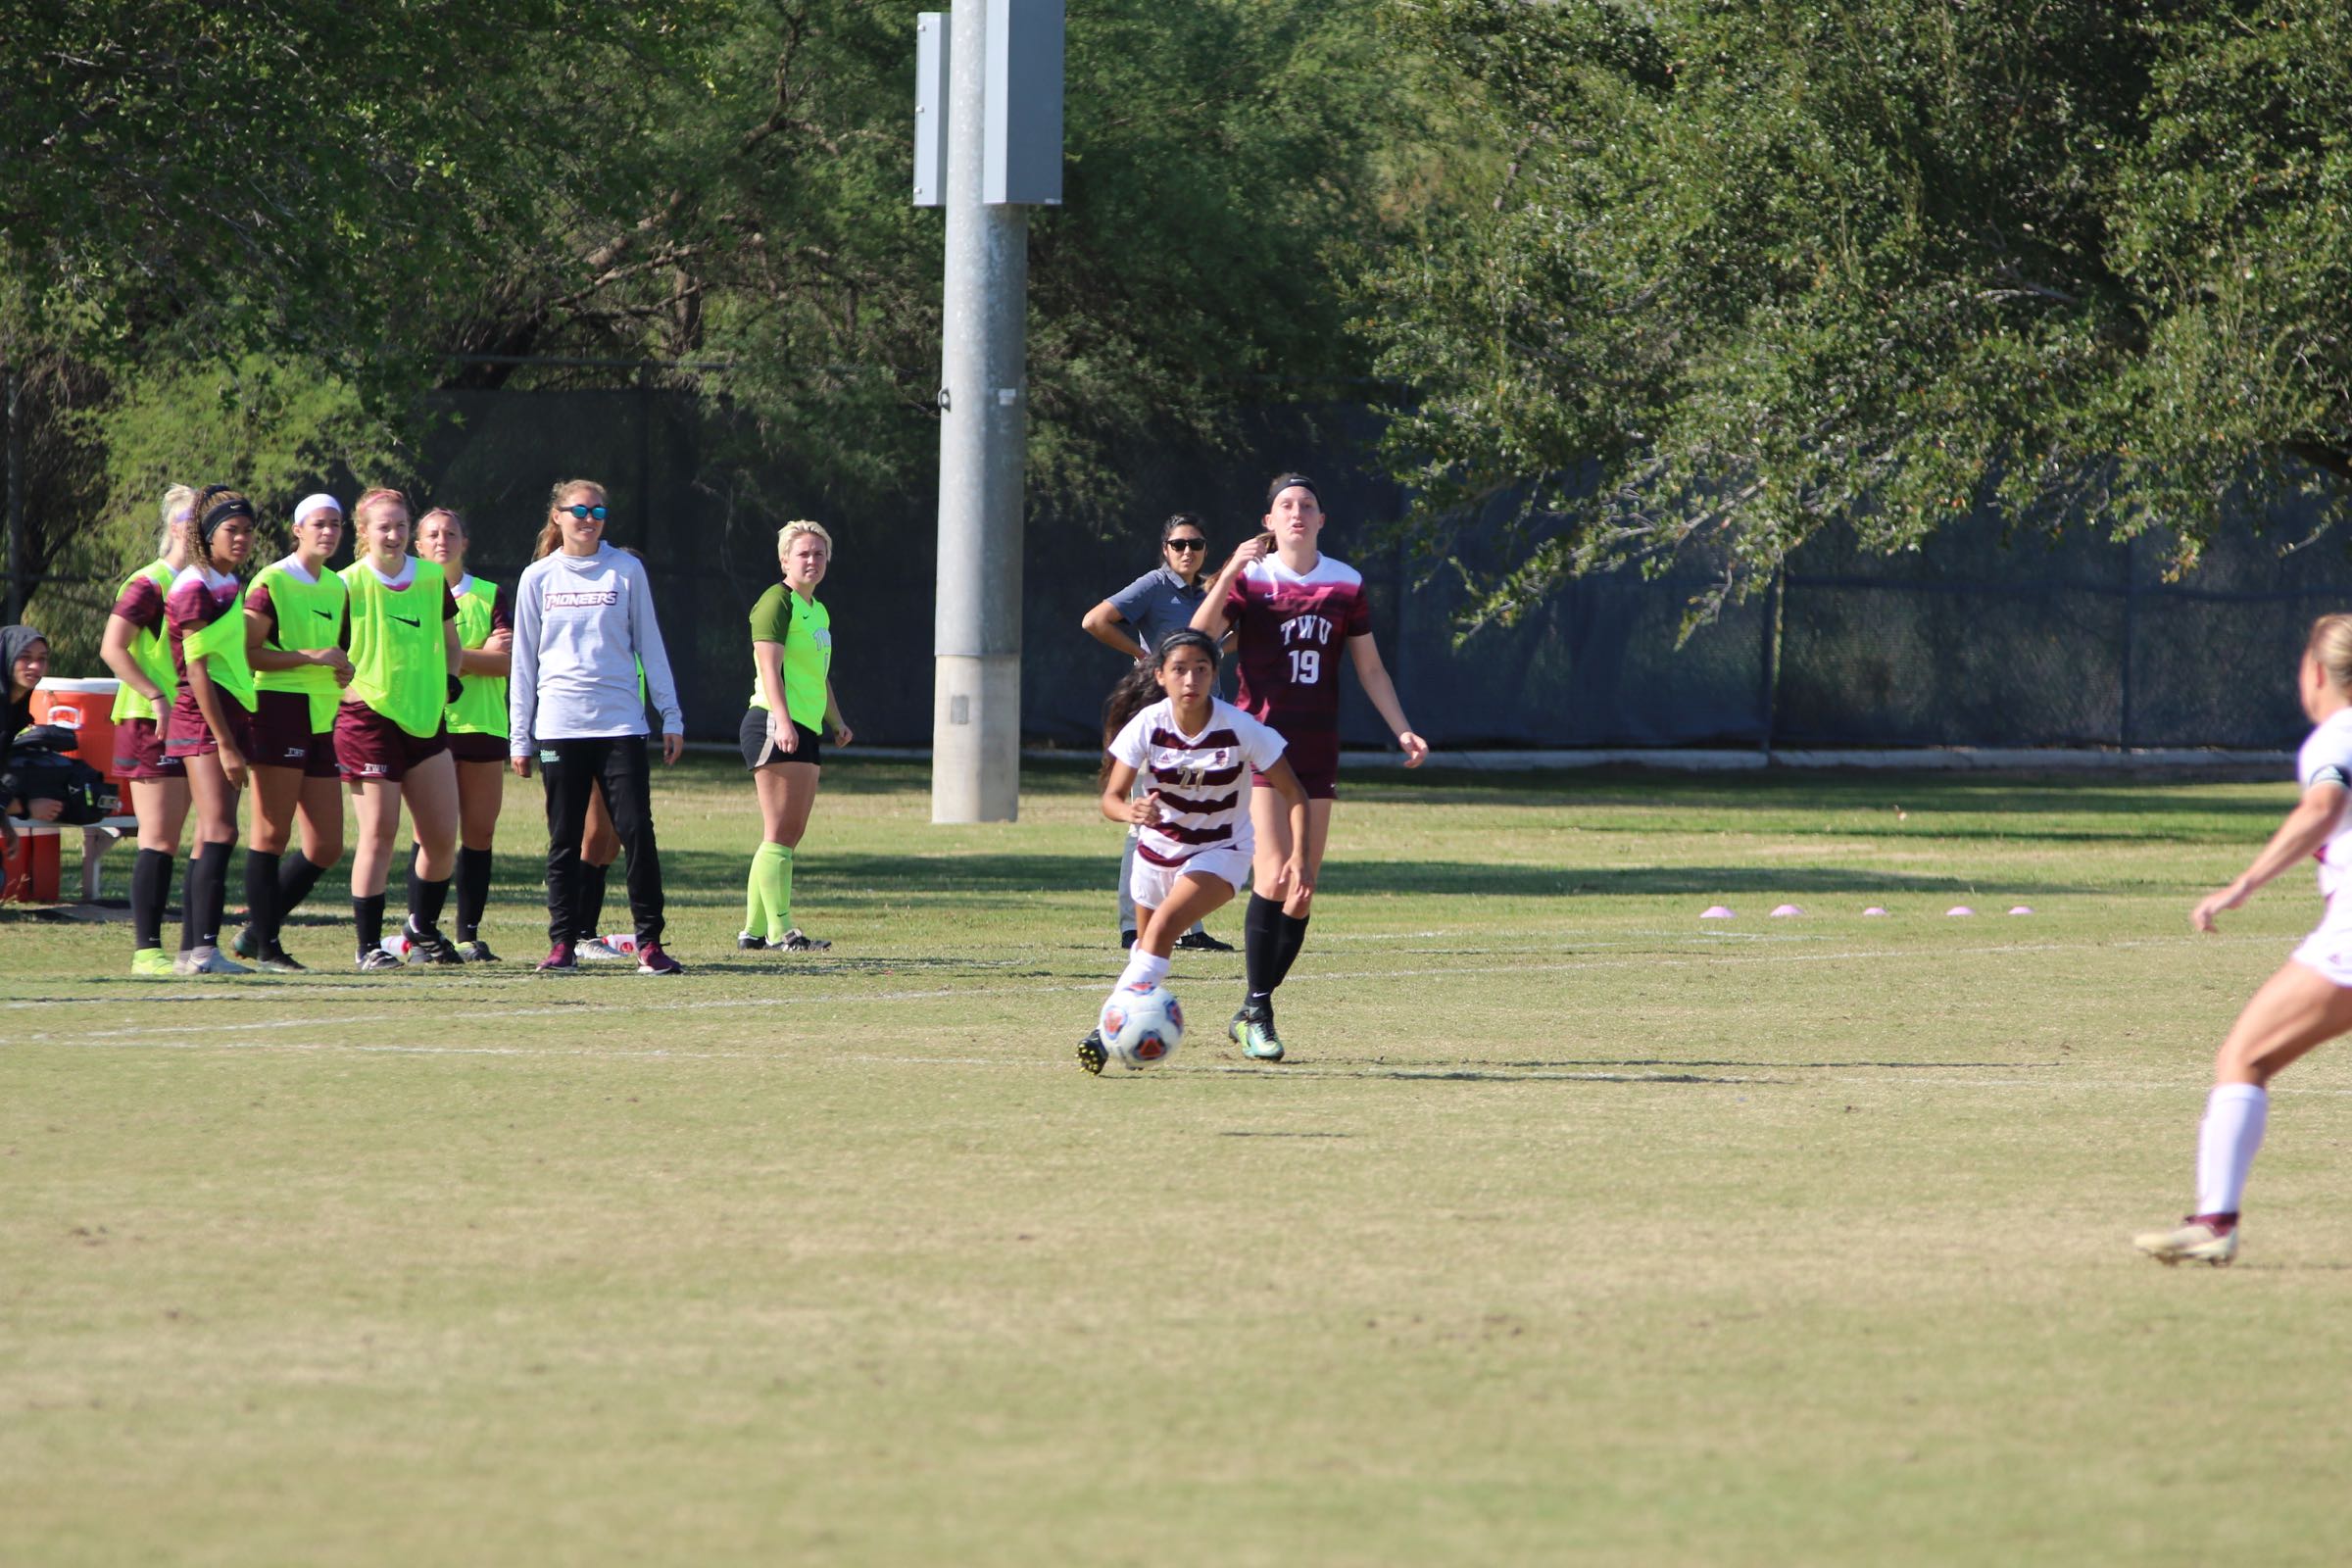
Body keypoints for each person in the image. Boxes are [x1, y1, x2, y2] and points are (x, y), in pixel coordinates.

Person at [2136, 613, 2352, 1266]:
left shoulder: (2334, 737)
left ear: (2315, 673)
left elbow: (2323, 806)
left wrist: (2243, 884)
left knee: (2243, 1058)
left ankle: (2214, 1220)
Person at [1190, 472, 1428, 1060]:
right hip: (1262, 746)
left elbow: (1370, 669)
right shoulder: (1251, 578)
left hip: (1317, 746)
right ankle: (1259, 1009)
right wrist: (1227, 573)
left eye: (1308, 505)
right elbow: (1195, 638)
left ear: (1322, 519)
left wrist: (1401, 726)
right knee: (1272, 876)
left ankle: (1252, 1006)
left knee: (1302, 889)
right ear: (1268, 522)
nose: (1297, 512)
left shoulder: (1345, 583)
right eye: (1285, 505)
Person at [1078, 630, 1309, 1073]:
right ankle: (1124, 1028)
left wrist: (1298, 854)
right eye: (1180, 669)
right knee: (1146, 952)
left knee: (1163, 928)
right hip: (1154, 854)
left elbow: (1293, 792)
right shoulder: (1147, 724)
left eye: (1201, 669)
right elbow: (1111, 799)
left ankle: (1105, 1032)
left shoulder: (1239, 727)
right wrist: (1130, 812)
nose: (1191, 679)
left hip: (1221, 850)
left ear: (1213, 675)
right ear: (1161, 676)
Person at [509, 478, 686, 976]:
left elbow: (651, 645)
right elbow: (523, 663)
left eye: (599, 511)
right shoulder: (537, 578)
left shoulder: (625, 570)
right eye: (579, 509)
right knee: (564, 838)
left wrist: (670, 714)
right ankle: (563, 943)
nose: (589, 518)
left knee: (636, 831)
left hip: (620, 726)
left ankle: (649, 944)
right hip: (558, 730)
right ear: (558, 516)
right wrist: (519, 735)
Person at [1081, 513, 1234, 954]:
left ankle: (1190, 927)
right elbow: (1095, 621)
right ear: (1165, 549)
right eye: (1179, 544)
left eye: (1197, 544)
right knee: (1143, 819)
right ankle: (1134, 927)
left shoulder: (1207, 591)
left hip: (1206, 718)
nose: (1188, 551)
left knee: (1195, 819)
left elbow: (1224, 639)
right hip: (1160, 719)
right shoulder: (1154, 585)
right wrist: (1144, 655)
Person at [336, 487, 465, 971]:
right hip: (368, 719)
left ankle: (422, 929)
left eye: (400, 526)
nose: (393, 535)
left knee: (439, 836)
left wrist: (449, 680)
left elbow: (452, 644)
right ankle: (368, 946)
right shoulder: (346, 583)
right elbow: (329, 654)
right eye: (382, 527)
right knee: (380, 832)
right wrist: (347, 693)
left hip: (424, 718)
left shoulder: (432, 579)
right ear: (363, 533)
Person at [234, 493, 352, 971]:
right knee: (270, 834)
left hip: (321, 715)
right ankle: (267, 946)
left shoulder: (336, 586)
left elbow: (331, 653)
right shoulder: (273, 580)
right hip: (276, 711)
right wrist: (310, 658)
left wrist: (340, 669)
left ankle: (255, 930)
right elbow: (247, 652)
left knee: (326, 844)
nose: (328, 532)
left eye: (336, 525)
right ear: (297, 530)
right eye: (319, 524)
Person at [739, 519, 852, 954]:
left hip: (804, 725)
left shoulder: (817, 610)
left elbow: (817, 677)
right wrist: (783, 720)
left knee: (787, 832)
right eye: (803, 553)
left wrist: (836, 721)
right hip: (772, 720)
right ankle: (781, 931)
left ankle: (753, 931)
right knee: (781, 832)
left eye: (819, 553)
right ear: (785, 558)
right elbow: (769, 667)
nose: (812, 560)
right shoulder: (776, 601)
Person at [162, 486, 262, 974]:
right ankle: (203, 949)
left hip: (230, 714)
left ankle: (191, 953)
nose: (241, 538)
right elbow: (197, 670)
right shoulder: (194, 586)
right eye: (230, 530)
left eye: (246, 530)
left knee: (210, 833)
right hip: (204, 719)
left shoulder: (228, 581)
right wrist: (225, 745)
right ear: (207, 534)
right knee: (221, 829)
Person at [97, 486, 196, 974]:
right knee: (157, 838)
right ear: (176, 526)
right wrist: (158, 695)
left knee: (189, 836)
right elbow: (113, 649)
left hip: (194, 723)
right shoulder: (149, 582)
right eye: (198, 519)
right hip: (148, 720)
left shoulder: (210, 583)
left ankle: (196, 947)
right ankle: (146, 951)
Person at [416, 505, 513, 961]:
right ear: (418, 545)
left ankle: (468, 934)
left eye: (450, 533)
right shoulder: (408, 593)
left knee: (478, 833)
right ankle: (422, 932)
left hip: (483, 727)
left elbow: (509, 662)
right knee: (432, 836)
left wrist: (456, 657)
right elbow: (415, 660)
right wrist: (475, 655)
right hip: (426, 727)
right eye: (432, 534)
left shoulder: (490, 595)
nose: (441, 540)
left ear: (464, 543)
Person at [2, 625, 52, 855]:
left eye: (42, 659)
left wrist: (5, 824)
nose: (35, 666)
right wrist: (22, 807)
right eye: (25, 657)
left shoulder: (14, 712)